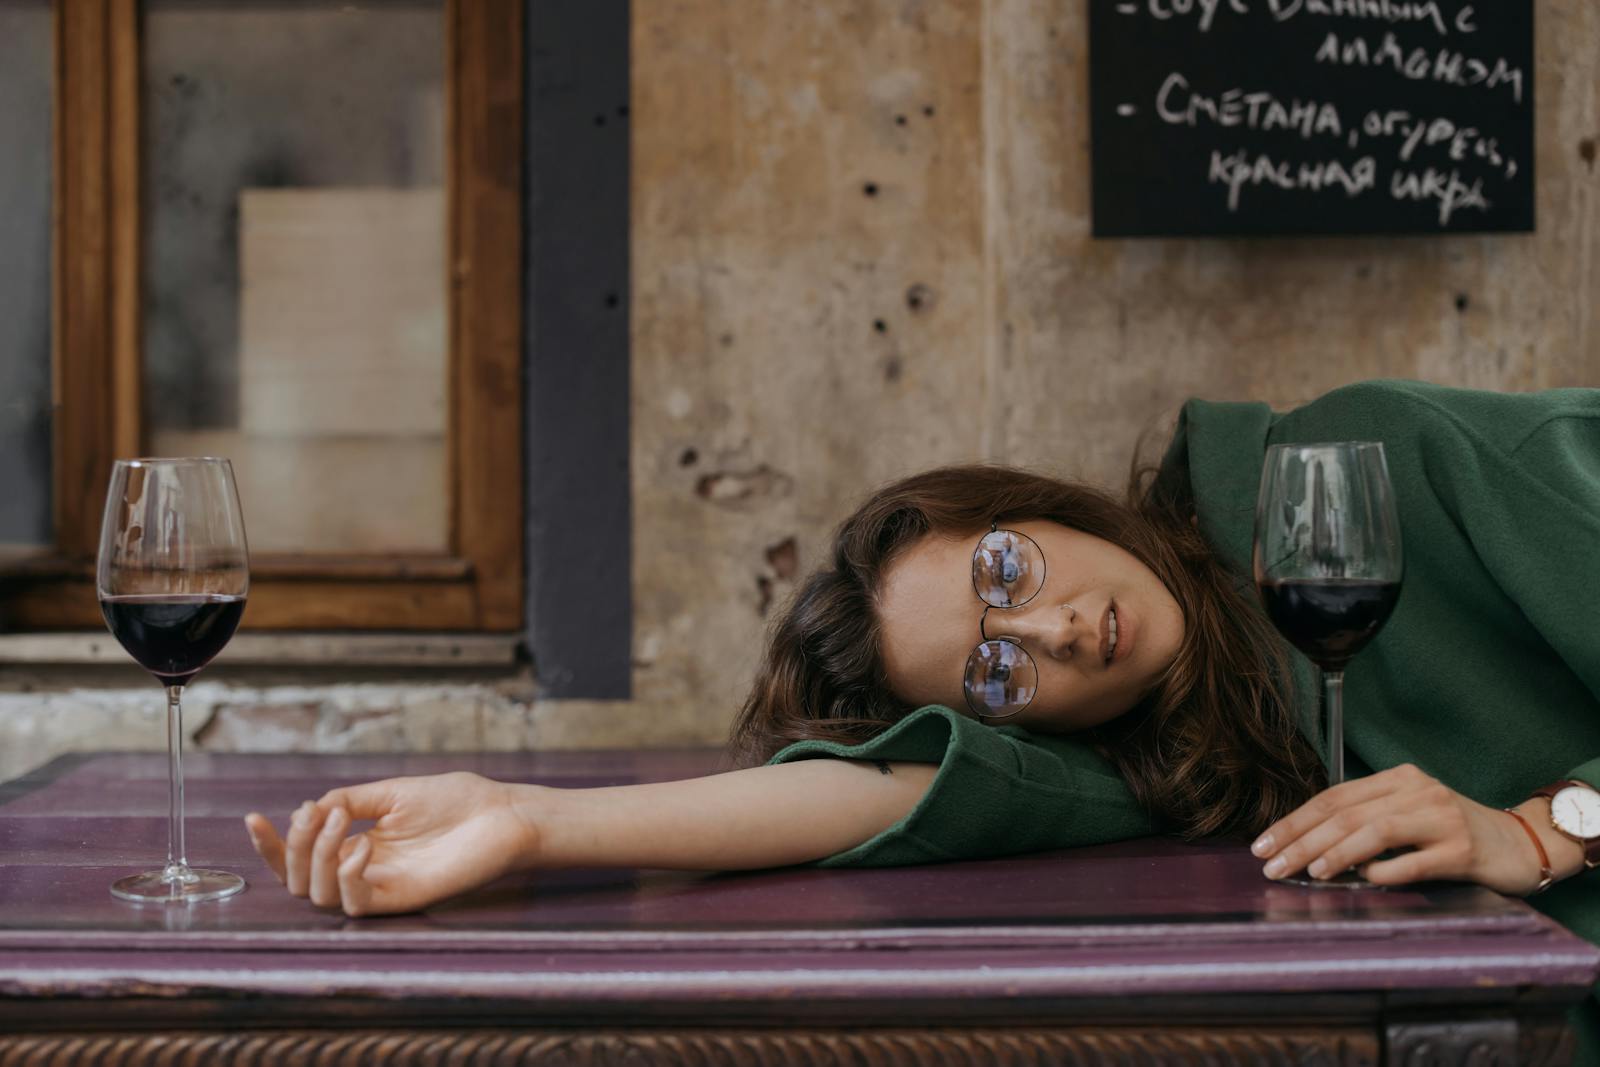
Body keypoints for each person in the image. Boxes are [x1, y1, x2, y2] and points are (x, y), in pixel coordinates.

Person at [245, 379, 1600, 1050]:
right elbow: (898, 788)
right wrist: (529, 821)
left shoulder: (1361, 469)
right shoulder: (1189, 744)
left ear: (1029, 505)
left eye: (1007, 572)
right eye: (1002, 670)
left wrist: (1546, 833)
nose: (1063, 630)